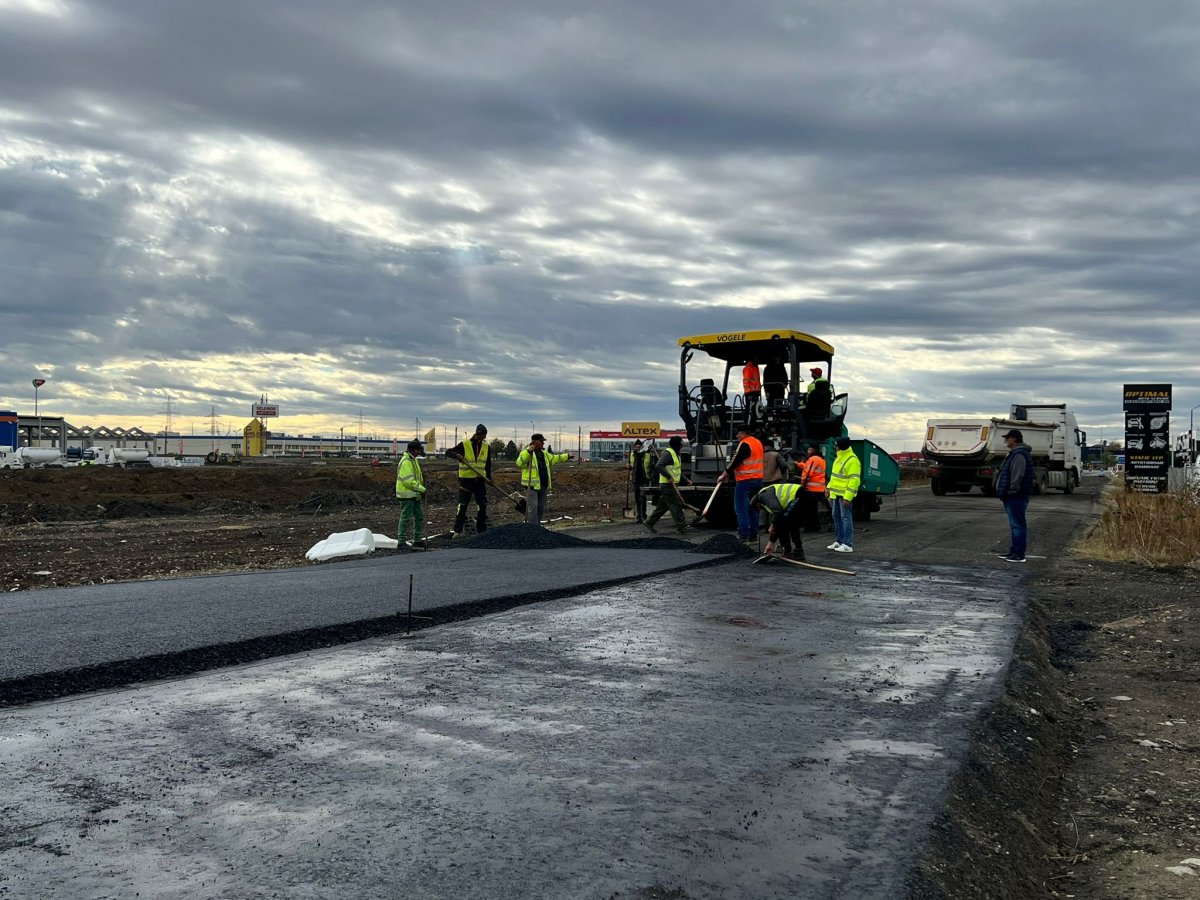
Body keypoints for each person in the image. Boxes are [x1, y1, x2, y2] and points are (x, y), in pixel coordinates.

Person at [717, 425, 764, 543]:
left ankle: (743, 536)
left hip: (744, 481)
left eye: (738, 434)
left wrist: (724, 474)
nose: (737, 436)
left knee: (741, 509)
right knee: (753, 508)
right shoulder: (757, 443)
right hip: (757, 480)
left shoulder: (744, 444)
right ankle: (753, 536)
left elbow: (735, 461)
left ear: (743, 433)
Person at [993, 428, 1034, 563]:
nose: (1005, 440)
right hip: (1014, 495)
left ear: (1014, 439)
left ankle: (1018, 554)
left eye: (1007, 438)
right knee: (1015, 525)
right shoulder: (1016, 453)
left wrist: (1011, 491)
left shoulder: (1019, 455)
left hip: (1016, 496)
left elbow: (1017, 475)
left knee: (1018, 525)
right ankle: (1014, 551)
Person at [445, 424, 492, 537]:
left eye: (484, 435)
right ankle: (458, 531)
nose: (483, 437)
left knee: (482, 505)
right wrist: (457, 455)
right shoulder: (465, 445)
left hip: (480, 480)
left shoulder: (486, 447)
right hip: (466, 481)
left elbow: (488, 465)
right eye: (481, 435)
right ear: (477, 434)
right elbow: (448, 452)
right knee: (462, 505)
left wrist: (489, 479)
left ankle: (482, 530)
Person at [516, 433, 572, 526]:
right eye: (541, 441)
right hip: (532, 486)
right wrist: (528, 452)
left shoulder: (544, 453)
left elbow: (555, 458)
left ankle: (537, 526)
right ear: (535, 442)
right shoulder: (526, 452)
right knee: (533, 508)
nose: (543, 443)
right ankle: (533, 529)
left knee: (541, 508)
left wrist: (567, 456)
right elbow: (519, 463)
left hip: (543, 485)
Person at [644, 435, 690, 535]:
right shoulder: (668, 453)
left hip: (672, 484)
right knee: (675, 505)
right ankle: (681, 527)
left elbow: (677, 470)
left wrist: (686, 480)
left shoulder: (676, 454)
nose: (682, 445)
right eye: (681, 443)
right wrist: (668, 477)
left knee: (663, 506)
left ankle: (649, 522)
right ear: (677, 444)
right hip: (667, 485)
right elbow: (658, 466)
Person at [752, 482, 806, 561]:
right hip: (800, 494)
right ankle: (796, 551)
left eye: (758, 508)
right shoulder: (766, 496)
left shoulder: (763, 496)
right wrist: (771, 542)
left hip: (798, 495)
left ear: (757, 503)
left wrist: (772, 525)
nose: (760, 510)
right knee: (790, 523)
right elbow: (778, 518)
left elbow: (778, 512)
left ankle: (788, 551)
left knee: (784, 522)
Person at [826, 436, 860, 553]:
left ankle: (847, 544)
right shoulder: (838, 458)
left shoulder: (852, 460)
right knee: (836, 517)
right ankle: (839, 541)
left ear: (841, 446)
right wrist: (829, 488)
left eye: (836, 445)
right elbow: (834, 476)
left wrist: (848, 497)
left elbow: (854, 480)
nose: (835, 447)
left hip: (844, 496)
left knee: (845, 519)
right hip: (836, 494)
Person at [395, 440, 427, 550]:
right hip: (406, 496)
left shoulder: (413, 460)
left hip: (414, 495)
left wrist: (420, 490)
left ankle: (417, 539)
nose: (419, 452)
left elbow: (417, 478)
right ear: (413, 450)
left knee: (419, 516)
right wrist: (422, 489)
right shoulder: (406, 462)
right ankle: (401, 541)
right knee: (405, 518)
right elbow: (408, 481)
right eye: (418, 450)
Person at [758, 438, 788, 533]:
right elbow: (784, 465)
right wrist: (779, 473)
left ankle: (762, 526)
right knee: (773, 504)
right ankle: (773, 525)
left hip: (762, 482)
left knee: (763, 504)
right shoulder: (776, 455)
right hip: (775, 482)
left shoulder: (759, 455)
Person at [796, 445, 827, 532]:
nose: (807, 452)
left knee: (808, 509)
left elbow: (808, 472)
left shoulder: (812, 459)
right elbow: (808, 467)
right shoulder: (821, 460)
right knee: (813, 509)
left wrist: (802, 485)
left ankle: (809, 527)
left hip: (811, 489)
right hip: (819, 489)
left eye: (809, 450)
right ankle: (815, 527)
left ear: (813, 451)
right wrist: (799, 464)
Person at [628, 439, 654, 522]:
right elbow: (631, 465)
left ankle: (643, 516)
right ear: (635, 448)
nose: (638, 448)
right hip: (635, 479)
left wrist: (651, 477)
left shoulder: (647, 455)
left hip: (644, 479)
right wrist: (629, 467)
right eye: (637, 447)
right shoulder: (632, 455)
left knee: (642, 497)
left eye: (639, 447)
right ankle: (639, 516)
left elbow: (651, 467)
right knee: (637, 498)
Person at [742, 358, 761, 426]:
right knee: (749, 410)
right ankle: (747, 425)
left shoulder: (755, 367)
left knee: (755, 411)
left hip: (755, 392)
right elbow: (746, 381)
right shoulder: (748, 368)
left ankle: (753, 425)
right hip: (750, 393)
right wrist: (749, 393)